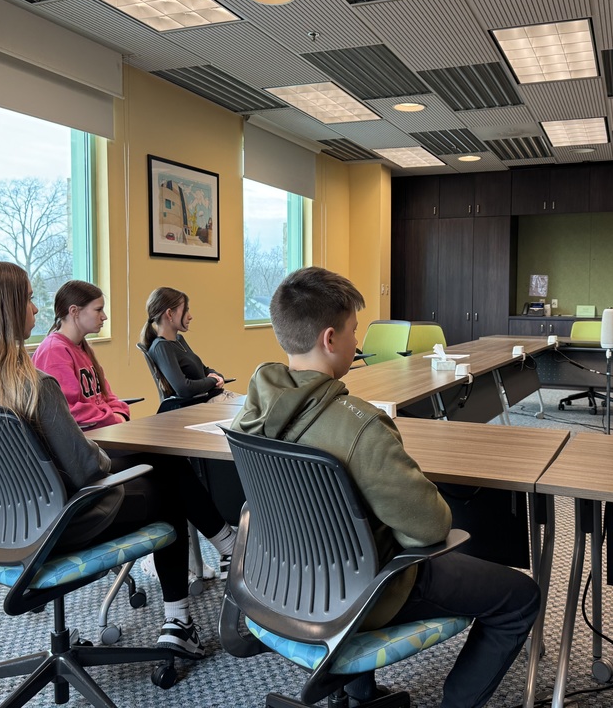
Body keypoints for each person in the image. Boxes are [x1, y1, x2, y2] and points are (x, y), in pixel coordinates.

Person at [230, 266, 540, 708]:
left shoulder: (250, 412)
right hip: (364, 594)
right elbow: (431, 527)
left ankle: (361, 693)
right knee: (520, 596)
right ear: (330, 338)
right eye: (355, 331)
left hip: (282, 580)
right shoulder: (359, 426)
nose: (358, 344)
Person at [0, 261, 237, 660]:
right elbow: (89, 470)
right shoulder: (36, 387)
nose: (35, 309)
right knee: (165, 480)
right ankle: (182, 618)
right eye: (29, 299)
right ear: (4, 310)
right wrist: (109, 454)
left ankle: (222, 546)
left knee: (158, 467)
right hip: (61, 523)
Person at [32, 280, 129, 429]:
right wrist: (111, 419)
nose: (104, 317)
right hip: (83, 440)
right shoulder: (54, 351)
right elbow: (68, 409)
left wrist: (120, 413)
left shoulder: (83, 348)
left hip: (103, 431)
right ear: (74, 311)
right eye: (98, 310)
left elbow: (107, 396)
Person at [140, 286, 238, 403]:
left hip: (217, 398)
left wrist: (218, 376)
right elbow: (184, 388)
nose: (190, 316)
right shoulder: (161, 347)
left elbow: (204, 369)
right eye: (185, 310)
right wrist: (212, 381)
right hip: (206, 404)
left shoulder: (179, 340)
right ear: (170, 314)